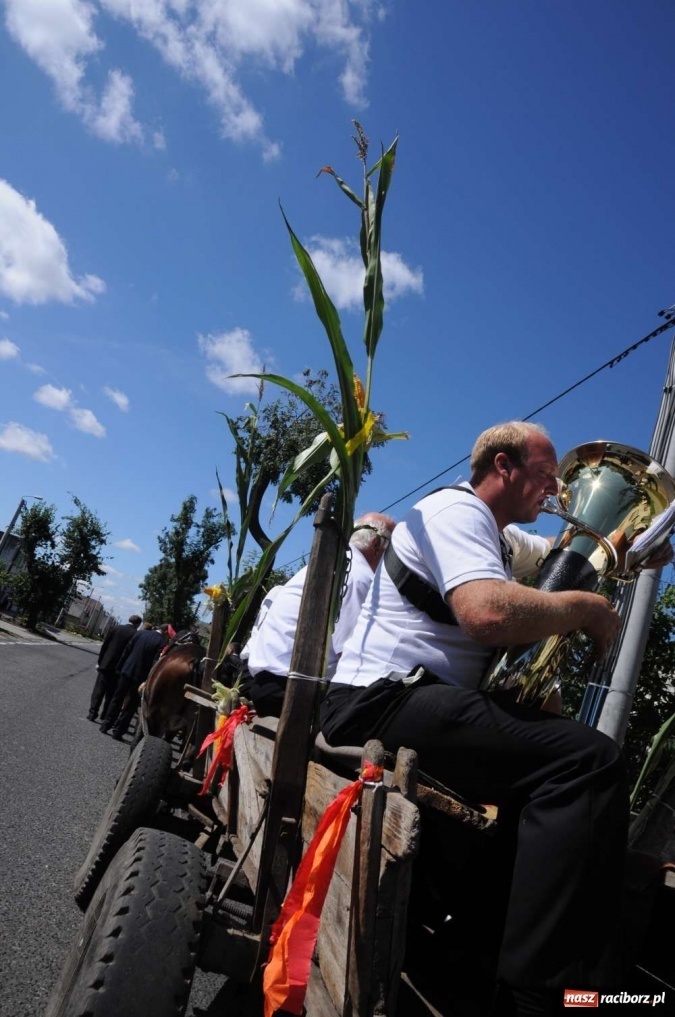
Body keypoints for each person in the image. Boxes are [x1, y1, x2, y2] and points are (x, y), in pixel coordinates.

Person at [320, 422, 629, 1016]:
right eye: (545, 477)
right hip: (378, 704)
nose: (557, 493)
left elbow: (585, 550)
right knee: (589, 760)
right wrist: (586, 608)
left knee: (552, 766)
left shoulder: (501, 537)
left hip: (410, 704)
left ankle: (475, 952)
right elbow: (487, 613)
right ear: (504, 466)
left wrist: (637, 550)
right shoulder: (453, 513)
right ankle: (540, 995)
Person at [240, 512, 396, 717]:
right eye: (392, 550)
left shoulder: (336, 565)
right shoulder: (359, 577)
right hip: (293, 691)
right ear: (377, 544)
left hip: (269, 684)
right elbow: (353, 655)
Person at [100, 622, 170, 739]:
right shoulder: (161, 643)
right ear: (166, 632)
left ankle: (106, 724)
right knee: (131, 706)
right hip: (141, 677)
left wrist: (120, 666)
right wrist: (149, 680)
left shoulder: (141, 634)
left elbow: (127, 650)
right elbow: (155, 663)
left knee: (117, 699)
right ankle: (118, 730)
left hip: (126, 670)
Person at [87, 614, 142, 722]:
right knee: (111, 694)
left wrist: (100, 661)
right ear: (138, 624)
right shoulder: (136, 634)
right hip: (120, 668)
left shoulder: (116, 628)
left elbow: (105, 645)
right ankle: (104, 715)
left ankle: (92, 713)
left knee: (98, 690)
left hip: (106, 664)